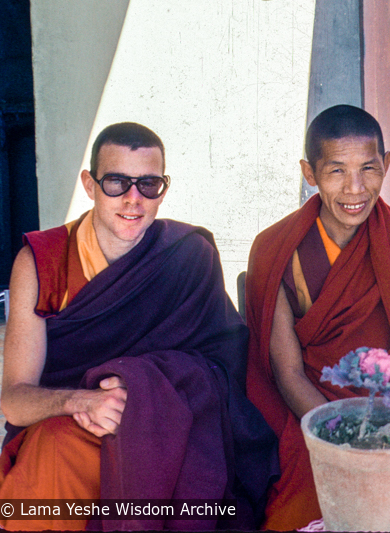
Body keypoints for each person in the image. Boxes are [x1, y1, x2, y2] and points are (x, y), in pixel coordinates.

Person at [0, 122, 277, 530]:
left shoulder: (188, 257)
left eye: (148, 184)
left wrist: (145, 387)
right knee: (53, 451)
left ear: (163, 189)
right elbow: (14, 399)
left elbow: (224, 371)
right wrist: (81, 401)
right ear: (89, 185)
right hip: (71, 429)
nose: (133, 200)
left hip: (163, 430)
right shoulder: (43, 261)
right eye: (116, 182)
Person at [245, 105, 390, 531]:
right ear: (309, 173)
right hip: (318, 410)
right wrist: (344, 436)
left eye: (368, 169)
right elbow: (287, 374)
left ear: (386, 165)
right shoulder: (276, 250)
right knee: (306, 504)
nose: (355, 189)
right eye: (336, 171)